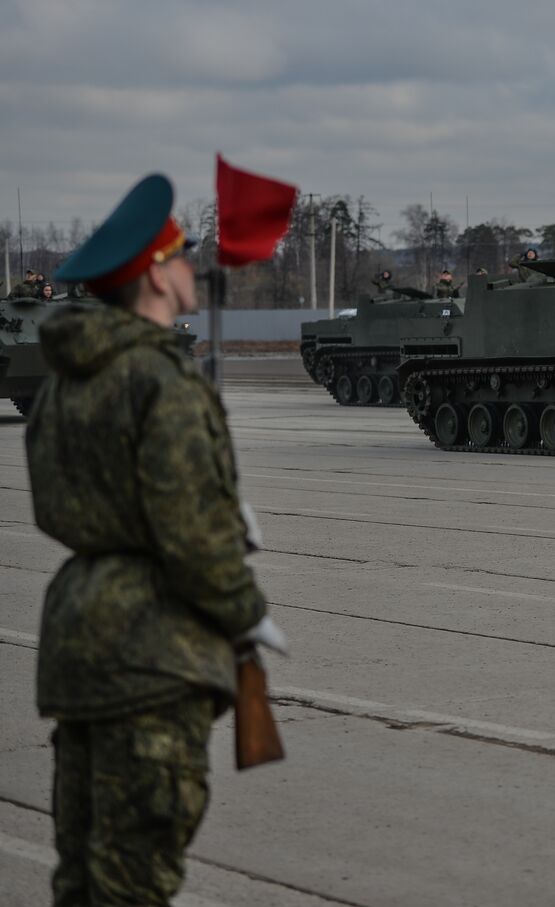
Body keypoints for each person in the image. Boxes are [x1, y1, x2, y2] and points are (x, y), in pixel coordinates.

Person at [29, 173, 270, 906]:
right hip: (151, 654)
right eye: (181, 257)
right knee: (134, 880)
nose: (192, 270)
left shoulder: (64, 382)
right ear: (156, 275)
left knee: (81, 875)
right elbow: (193, 536)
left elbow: (61, 506)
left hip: (77, 640)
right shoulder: (160, 381)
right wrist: (245, 611)